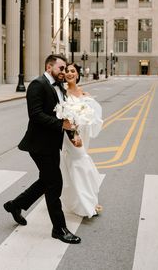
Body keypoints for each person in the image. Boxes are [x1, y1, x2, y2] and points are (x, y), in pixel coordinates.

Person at [3, 54, 81, 244]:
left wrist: (72, 132)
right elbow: (35, 115)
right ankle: (59, 229)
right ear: (49, 67)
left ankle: (16, 204)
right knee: (54, 183)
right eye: (61, 68)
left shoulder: (59, 86)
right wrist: (61, 125)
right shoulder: (37, 85)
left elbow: (64, 114)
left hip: (52, 144)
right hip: (38, 144)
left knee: (46, 181)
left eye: (65, 69)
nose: (64, 72)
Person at [60, 63, 104, 218]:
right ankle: (87, 204)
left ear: (78, 75)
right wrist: (73, 133)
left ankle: (81, 198)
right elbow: (62, 116)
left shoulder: (85, 94)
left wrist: (85, 118)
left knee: (76, 163)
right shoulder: (61, 93)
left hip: (82, 133)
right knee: (80, 161)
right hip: (69, 134)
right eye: (67, 71)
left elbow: (92, 115)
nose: (69, 73)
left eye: (73, 71)